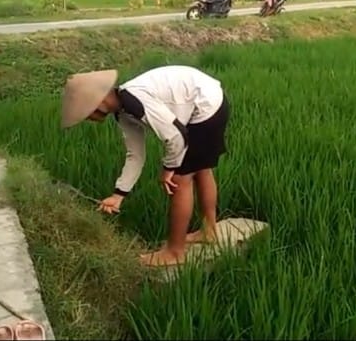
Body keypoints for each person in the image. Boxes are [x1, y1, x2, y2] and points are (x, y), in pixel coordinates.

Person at [60, 65, 231, 267]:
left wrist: (169, 169)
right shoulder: (123, 112)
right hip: (202, 101)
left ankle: (175, 252)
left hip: (207, 105)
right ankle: (208, 230)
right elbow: (135, 155)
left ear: (97, 102)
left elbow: (175, 136)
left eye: (84, 112)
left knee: (179, 179)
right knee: (200, 168)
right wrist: (118, 195)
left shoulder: (134, 101)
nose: (86, 118)